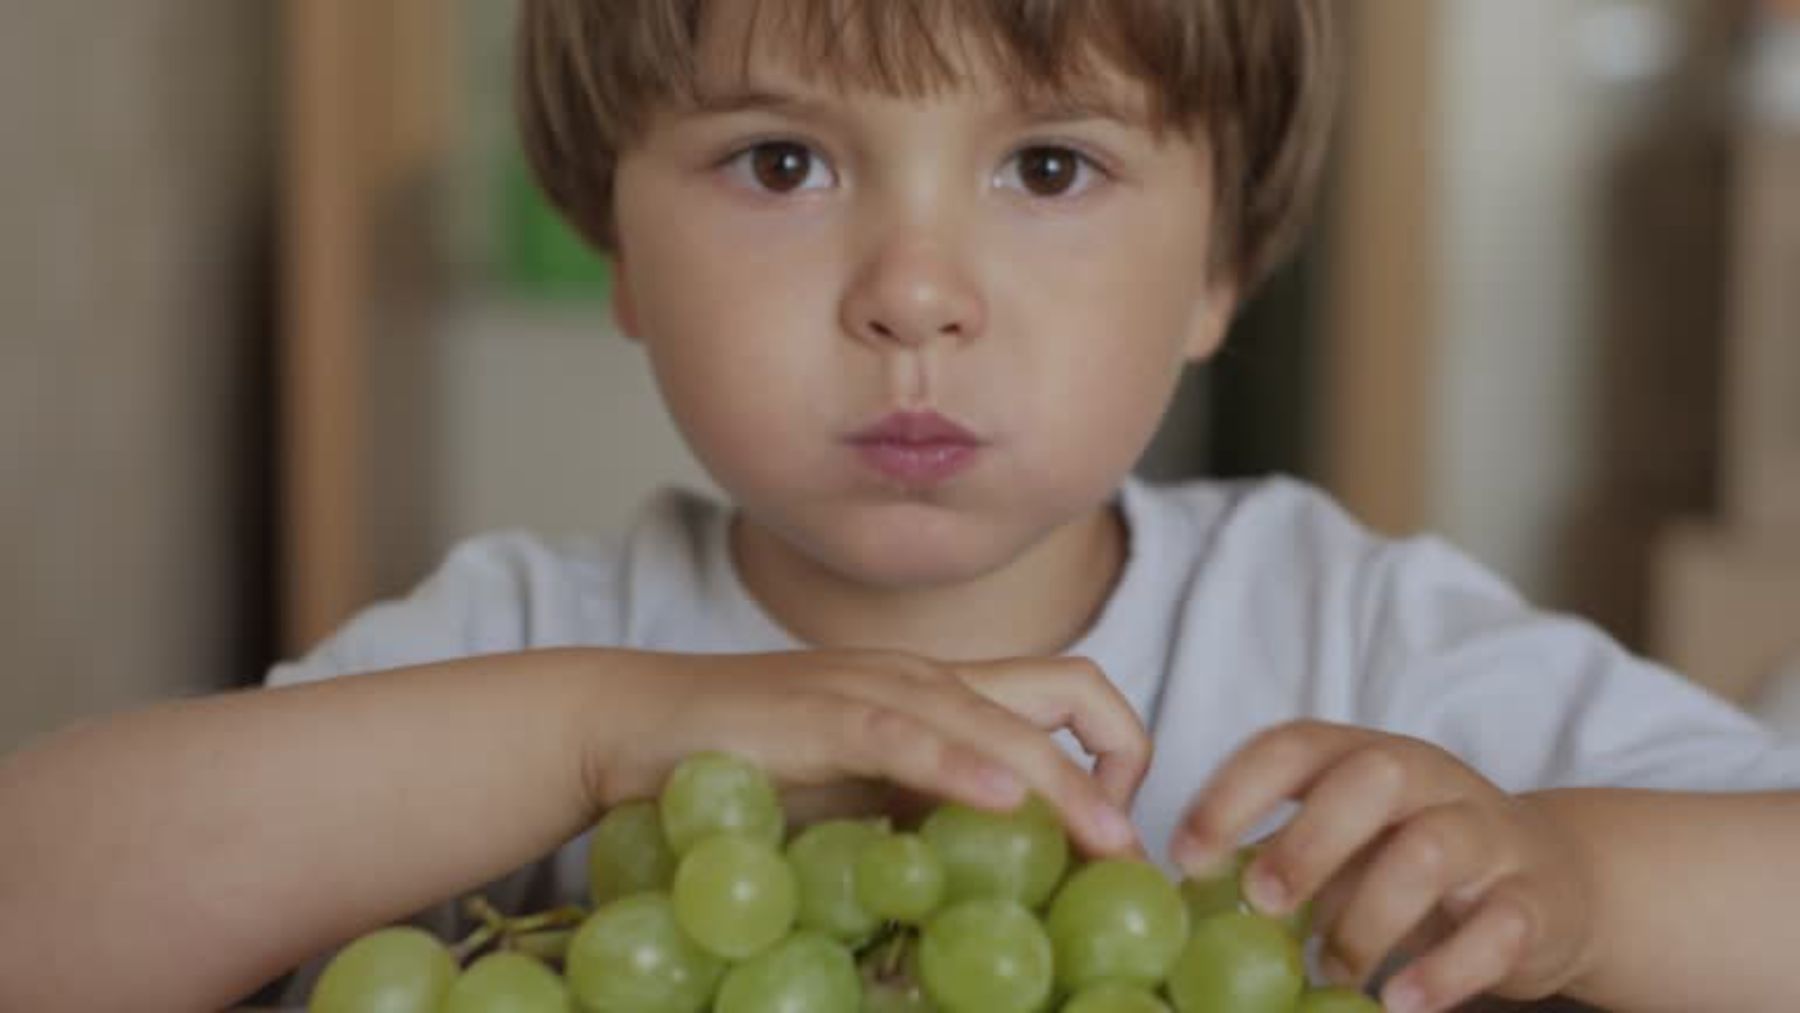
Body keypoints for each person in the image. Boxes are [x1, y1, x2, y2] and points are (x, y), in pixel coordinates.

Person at [3, 2, 1798, 1010]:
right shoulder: (536, 648)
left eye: (1049, 164)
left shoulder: (1351, 625)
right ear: (617, 244)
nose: (914, 288)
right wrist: (599, 740)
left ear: (1219, 270)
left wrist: (1579, 885)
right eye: (781, 162)